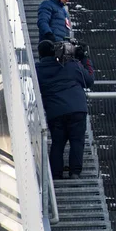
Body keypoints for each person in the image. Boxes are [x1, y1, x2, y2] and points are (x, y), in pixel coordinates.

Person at [36, 40, 94, 180]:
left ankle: (56, 174)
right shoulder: (71, 65)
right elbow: (89, 80)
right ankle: (74, 173)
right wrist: (84, 58)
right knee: (77, 141)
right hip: (77, 109)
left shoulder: (37, 70)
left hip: (54, 112)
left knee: (57, 143)